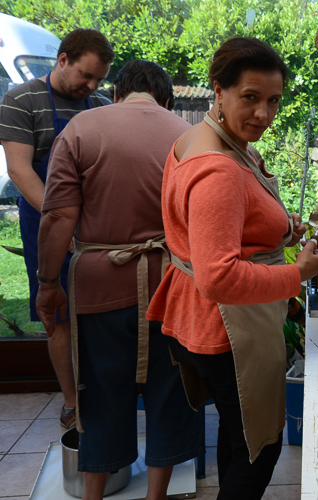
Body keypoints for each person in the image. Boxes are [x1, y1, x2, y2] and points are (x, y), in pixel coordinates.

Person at [145, 37, 318, 499]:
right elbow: (220, 277)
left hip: (189, 318)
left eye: (274, 100)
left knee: (236, 428)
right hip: (227, 328)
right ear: (219, 90)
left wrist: (281, 228)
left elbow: (223, 225)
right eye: (250, 97)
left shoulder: (193, 140)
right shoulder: (219, 170)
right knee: (259, 448)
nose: (263, 114)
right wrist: (299, 273)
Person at [35, 60, 204, 500]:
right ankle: (156, 496)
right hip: (172, 286)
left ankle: (92, 495)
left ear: (115, 94)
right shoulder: (191, 136)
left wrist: (48, 283)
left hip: (100, 287)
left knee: (100, 394)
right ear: (167, 101)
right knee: (171, 393)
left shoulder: (81, 129)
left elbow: (58, 216)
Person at [0, 29, 113, 429]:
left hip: (96, 227)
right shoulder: (21, 100)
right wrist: (63, 224)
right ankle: (72, 401)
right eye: (86, 75)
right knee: (58, 315)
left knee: (101, 314)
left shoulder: (100, 107)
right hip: (44, 220)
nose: (92, 86)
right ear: (62, 60)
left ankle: (103, 394)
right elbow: (20, 171)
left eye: (99, 79)